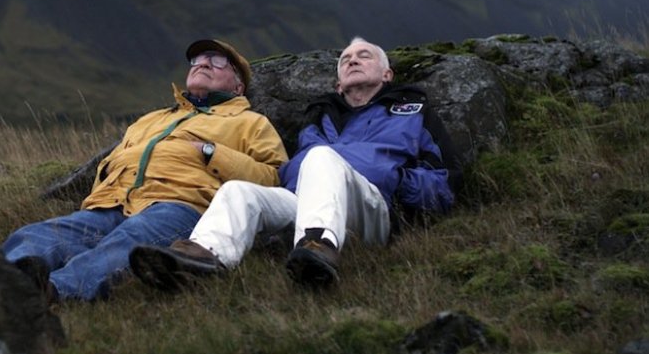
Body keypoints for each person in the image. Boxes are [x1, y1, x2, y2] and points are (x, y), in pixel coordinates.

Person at [129, 36, 460, 291]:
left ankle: (318, 247)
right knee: (239, 191)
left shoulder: (414, 110)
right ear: (338, 83)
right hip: (310, 202)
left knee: (321, 157)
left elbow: (445, 185)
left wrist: (397, 180)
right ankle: (200, 257)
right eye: (345, 59)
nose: (353, 60)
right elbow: (295, 172)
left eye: (364, 55)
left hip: (374, 209)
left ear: (387, 73)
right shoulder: (319, 116)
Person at [1, 39, 288, 302]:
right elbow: (110, 163)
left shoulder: (251, 122)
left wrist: (211, 152)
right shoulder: (151, 119)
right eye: (199, 59)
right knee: (39, 235)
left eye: (217, 61)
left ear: (238, 87)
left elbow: (271, 178)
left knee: (130, 241)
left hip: (181, 205)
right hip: (113, 204)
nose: (203, 63)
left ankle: (51, 293)